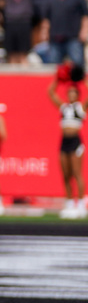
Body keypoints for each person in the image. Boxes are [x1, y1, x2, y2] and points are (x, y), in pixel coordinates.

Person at [48, 74, 86, 218]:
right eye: (69, 92)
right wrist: (58, 78)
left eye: (73, 93)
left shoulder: (80, 107)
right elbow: (50, 93)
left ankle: (81, 204)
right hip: (64, 142)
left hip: (75, 141)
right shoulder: (63, 107)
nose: (71, 95)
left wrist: (82, 79)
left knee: (77, 173)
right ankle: (69, 202)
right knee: (66, 174)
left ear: (77, 95)